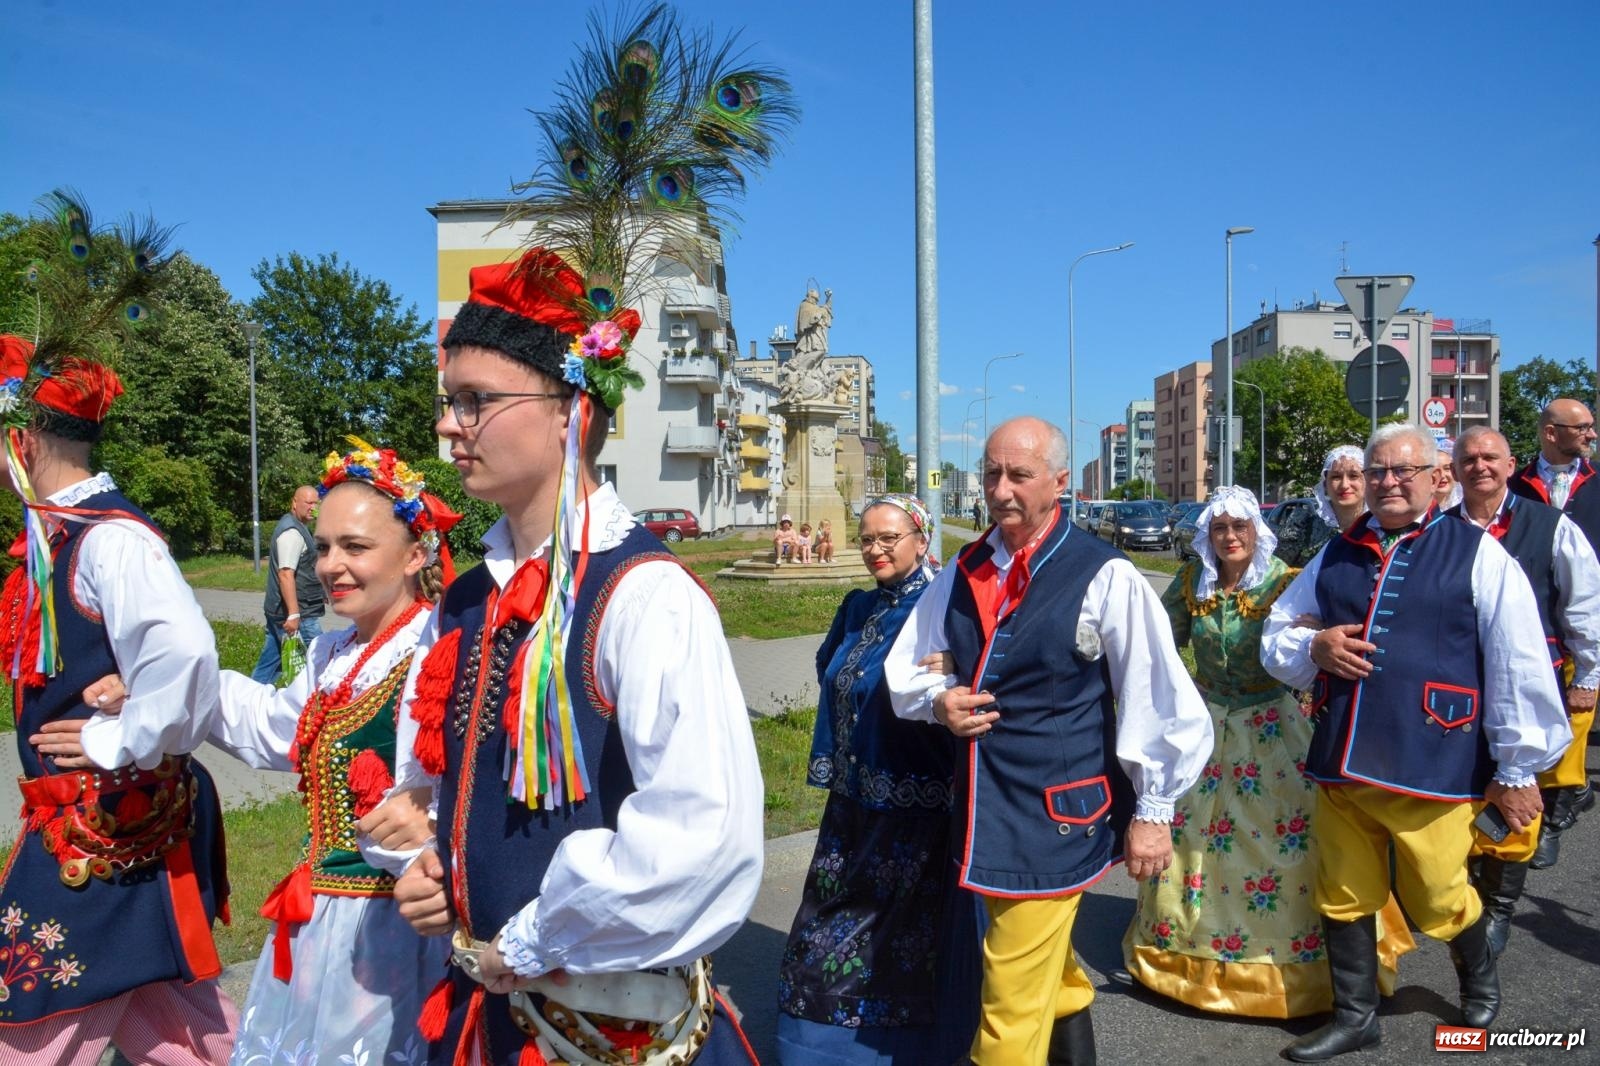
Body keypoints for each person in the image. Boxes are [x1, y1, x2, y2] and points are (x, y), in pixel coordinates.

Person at [387, 247, 765, 1065]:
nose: (448, 426)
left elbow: (704, 838)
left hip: (601, 1032)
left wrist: (524, 943)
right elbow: (447, 791)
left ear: (570, 414)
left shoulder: (644, 595)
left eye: (476, 402)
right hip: (480, 1016)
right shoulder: (464, 596)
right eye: (450, 402)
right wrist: (429, 865)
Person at [886, 416, 1214, 1066]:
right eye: (991, 474)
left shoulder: (1104, 574)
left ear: (1060, 482)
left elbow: (1159, 697)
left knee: (1007, 1010)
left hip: (1056, 818)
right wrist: (938, 700)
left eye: (1019, 474)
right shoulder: (966, 567)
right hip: (985, 810)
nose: (1001, 489)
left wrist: (1152, 810)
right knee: (1048, 972)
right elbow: (908, 667)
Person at [0, 200, 234, 1063]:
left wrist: (117, 737)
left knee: (25, 1023)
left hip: (100, 831)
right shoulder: (59, 537)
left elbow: (187, 653)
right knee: (181, 1038)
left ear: (20, 439)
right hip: (99, 829)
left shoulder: (110, 541)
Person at [1261, 423, 1572, 1061]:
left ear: (1439, 479)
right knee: (1342, 893)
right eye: (1377, 471)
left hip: (1432, 757)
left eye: (1403, 470)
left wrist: (1517, 770)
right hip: (1342, 758)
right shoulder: (1337, 550)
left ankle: (1479, 981)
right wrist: (1312, 646)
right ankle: (1356, 1017)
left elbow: (1517, 661)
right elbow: (1281, 626)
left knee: (1438, 896)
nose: (1388, 482)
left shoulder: (1477, 551)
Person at [1124, 486, 1413, 1018]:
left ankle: (1305, 969)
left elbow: (1323, 639)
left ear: (1257, 531)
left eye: (1240, 527)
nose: (1230, 537)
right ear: (1207, 535)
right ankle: (1180, 958)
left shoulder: (1287, 582)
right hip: (1206, 728)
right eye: (1219, 528)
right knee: (1189, 841)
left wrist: (1314, 642)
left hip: (1273, 725)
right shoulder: (1193, 582)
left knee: (1295, 842)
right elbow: (1157, 644)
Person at [777, 495, 980, 1065]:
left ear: (921, 540)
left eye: (889, 538)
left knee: (900, 940)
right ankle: (816, 1050)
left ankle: (901, 1052)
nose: (875, 549)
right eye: (867, 538)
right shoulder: (856, 606)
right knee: (827, 925)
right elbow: (829, 666)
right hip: (852, 803)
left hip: (917, 807)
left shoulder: (943, 609)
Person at [1449, 425, 1600, 954]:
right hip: (1459, 687)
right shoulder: (1441, 530)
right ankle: (1468, 887)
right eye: (1468, 459)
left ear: (1512, 466)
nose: (1480, 467)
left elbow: (1584, 603)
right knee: (1467, 792)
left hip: (1528, 683)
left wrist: (1589, 675)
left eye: (1491, 458)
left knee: (1518, 792)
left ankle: (1499, 908)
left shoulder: (1549, 526)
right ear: (1454, 470)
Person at [1508, 398, 1600, 868]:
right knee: (1538, 716)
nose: (1591, 433)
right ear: (1550, 432)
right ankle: (1564, 795)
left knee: (1578, 716)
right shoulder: (1515, 484)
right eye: (1581, 427)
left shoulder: (1597, 483)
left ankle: (1556, 817)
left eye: (1590, 426)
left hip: (1589, 614)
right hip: (1535, 616)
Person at [249, 485, 326, 684]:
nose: (313, 507)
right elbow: (285, 574)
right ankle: (329, 706)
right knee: (325, 660)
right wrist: (293, 614)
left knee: (270, 663)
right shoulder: (291, 532)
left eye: (316, 503)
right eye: (308, 502)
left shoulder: (299, 528)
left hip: (286, 610)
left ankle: (250, 697)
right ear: (294, 503)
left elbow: (303, 570)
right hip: (297, 614)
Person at [1275, 446, 1363, 567]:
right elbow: (1277, 572)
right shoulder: (1303, 523)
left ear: (1366, 481)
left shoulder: (1377, 525)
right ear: (1325, 484)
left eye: (1353, 476)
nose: (1344, 485)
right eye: (1336, 477)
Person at [1433, 437, 1463, 510]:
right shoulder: (1418, 510)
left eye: (1447, 468)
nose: (1442, 475)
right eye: (1435, 470)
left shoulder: (1465, 507)